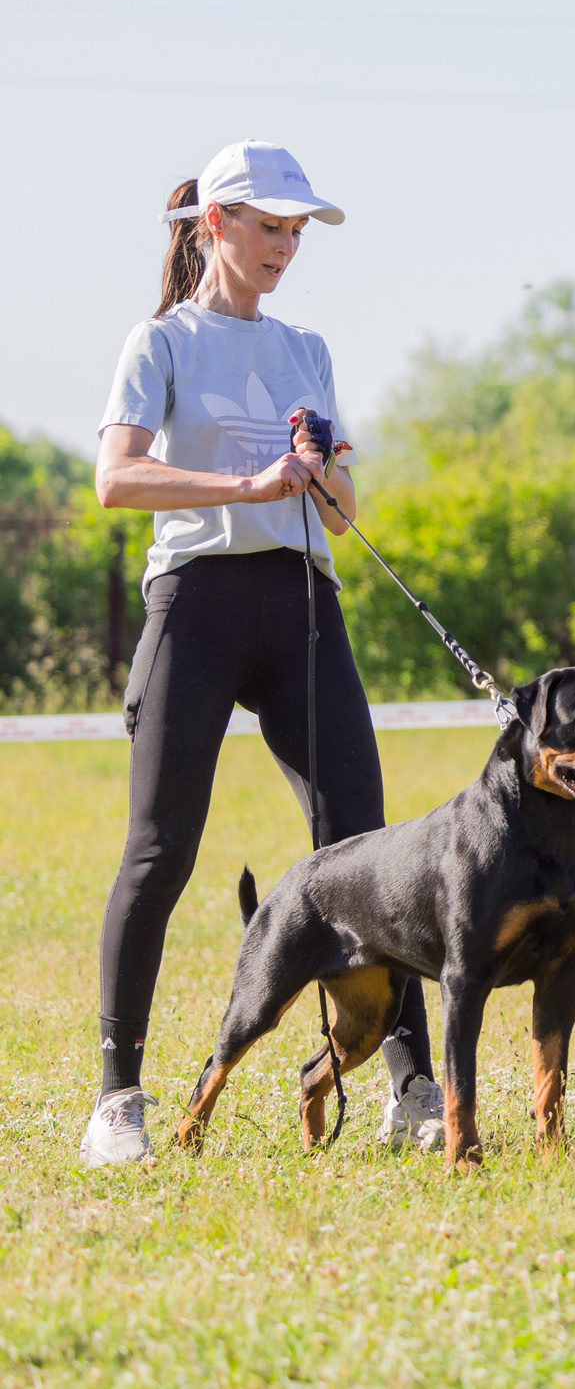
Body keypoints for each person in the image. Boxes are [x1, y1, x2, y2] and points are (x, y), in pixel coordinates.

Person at [85, 140, 442, 1167]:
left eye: (297, 230)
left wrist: (319, 479)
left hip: (303, 606)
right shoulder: (160, 341)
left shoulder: (307, 349)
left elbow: (341, 508)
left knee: (366, 847)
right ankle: (118, 1099)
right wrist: (246, 488)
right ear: (215, 226)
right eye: (269, 226)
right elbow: (117, 479)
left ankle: (410, 1085)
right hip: (196, 602)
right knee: (160, 851)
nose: (286, 246)